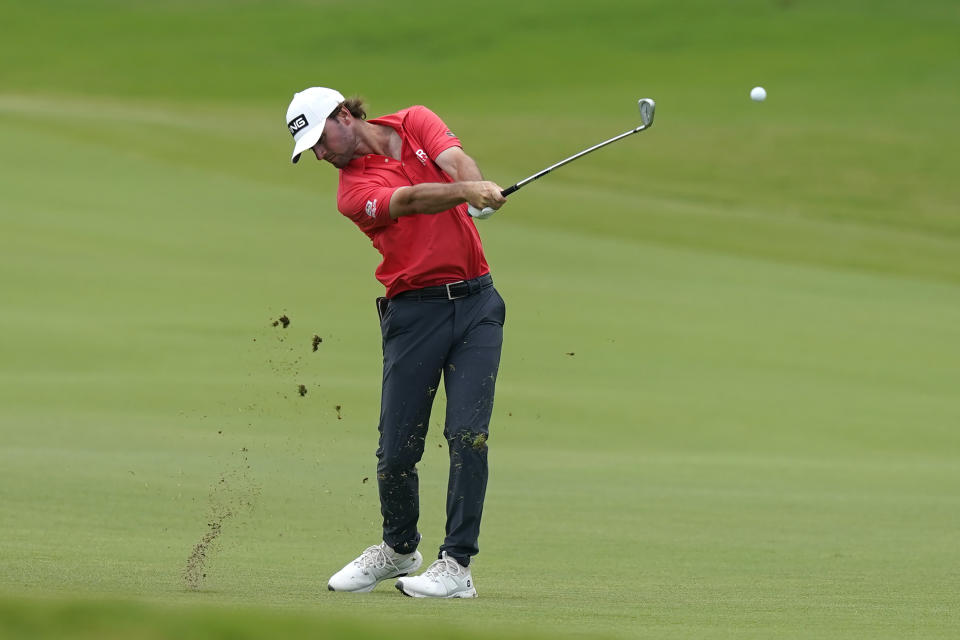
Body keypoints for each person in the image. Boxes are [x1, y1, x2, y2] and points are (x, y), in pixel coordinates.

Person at [285, 87, 507, 598]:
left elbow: (453, 159)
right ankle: (399, 549)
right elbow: (407, 201)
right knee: (396, 451)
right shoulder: (349, 193)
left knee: (467, 435)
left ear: (345, 115)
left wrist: (475, 186)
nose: (320, 153)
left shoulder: (415, 120)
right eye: (311, 149)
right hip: (414, 314)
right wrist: (465, 195)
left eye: (321, 139)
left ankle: (456, 566)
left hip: (478, 306)